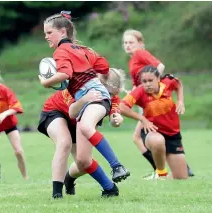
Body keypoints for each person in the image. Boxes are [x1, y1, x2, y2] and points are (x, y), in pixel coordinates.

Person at [39, 11, 129, 197]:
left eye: (49, 32)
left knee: (86, 128)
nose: (46, 36)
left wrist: (46, 82)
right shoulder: (85, 50)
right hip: (80, 101)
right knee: (82, 160)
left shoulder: (61, 51)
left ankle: (117, 166)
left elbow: (65, 74)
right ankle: (110, 189)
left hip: (92, 96)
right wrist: (85, 66)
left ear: (63, 32)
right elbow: (103, 67)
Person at [38, 68, 129, 198]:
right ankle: (57, 194)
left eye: (112, 95)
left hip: (78, 123)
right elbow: (72, 112)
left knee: (83, 162)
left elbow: (115, 115)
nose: (108, 97)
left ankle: (69, 178)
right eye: (108, 93)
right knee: (64, 143)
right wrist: (85, 99)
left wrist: (117, 119)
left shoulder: (111, 96)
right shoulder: (79, 87)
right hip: (57, 111)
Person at [123, 29, 194, 178]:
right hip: (145, 99)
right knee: (139, 137)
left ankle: (164, 169)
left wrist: (156, 88)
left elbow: (159, 66)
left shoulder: (140, 53)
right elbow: (140, 84)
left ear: (140, 44)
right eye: (125, 42)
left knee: (140, 137)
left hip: (153, 100)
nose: (127, 45)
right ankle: (161, 170)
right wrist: (138, 90)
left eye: (131, 42)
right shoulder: (133, 60)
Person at [119, 65, 189, 179]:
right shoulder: (140, 91)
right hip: (152, 131)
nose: (147, 84)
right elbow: (122, 107)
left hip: (173, 134)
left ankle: (160, 178)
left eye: (150, 80)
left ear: (158, 79)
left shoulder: (167, 83)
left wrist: (181, 100)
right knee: (157, 141)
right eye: (144, 81)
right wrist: (142, 119)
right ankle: (161, 174)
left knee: (181, 177)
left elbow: (178, 84)